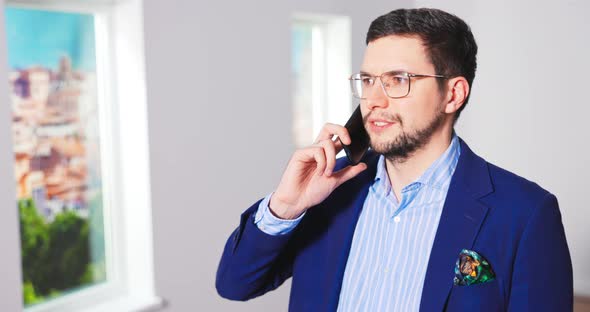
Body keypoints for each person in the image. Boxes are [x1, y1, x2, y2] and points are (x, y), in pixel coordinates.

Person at [216, 8, 573, 311]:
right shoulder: (327, 191)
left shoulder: (525, 213)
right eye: (369, 80)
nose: (374, 100)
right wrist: (285, 207)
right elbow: (235, 285)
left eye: (398, 79)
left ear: (453, 94)